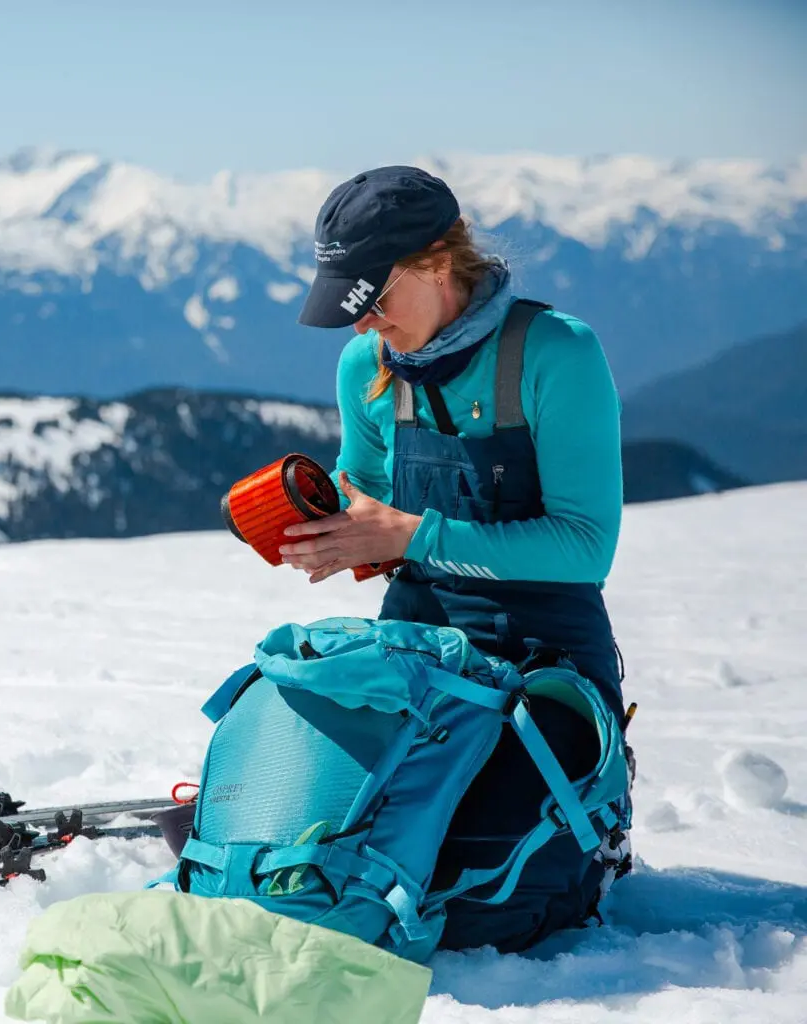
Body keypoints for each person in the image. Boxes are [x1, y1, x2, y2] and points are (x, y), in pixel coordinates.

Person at [278, 165, 632, 952]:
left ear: (440, 262)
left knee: (473, 889)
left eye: (374, 298)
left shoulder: (556, 353)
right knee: (320, 850)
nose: (364, 324)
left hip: (547, 664)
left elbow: (585, 546)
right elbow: (368, 490)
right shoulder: (364, 368)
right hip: (419, 657)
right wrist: (324, 521)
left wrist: (410, 537)